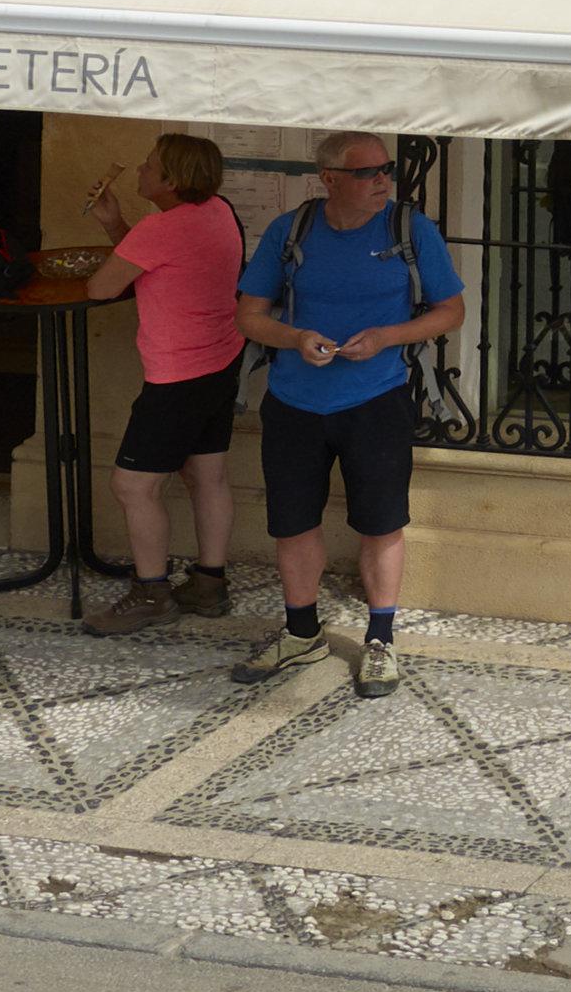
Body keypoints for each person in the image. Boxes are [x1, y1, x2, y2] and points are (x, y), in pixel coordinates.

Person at [229, 131, 460, 692]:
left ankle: (380, 641)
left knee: (382, 523)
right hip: (293, 401)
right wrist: (295, 336)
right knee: (293, 522)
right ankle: (302, 634)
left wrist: (387, 337)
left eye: (386, 169)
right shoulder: (292, 230)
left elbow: (449, 311)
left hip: (377, 398)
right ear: (329, 179)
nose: (383, 180)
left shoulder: (410, 229)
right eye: (367, 172)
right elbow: (248, 316)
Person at [85, 133, 246, 624]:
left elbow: (102, 285)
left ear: (171, 181)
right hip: (222, 359)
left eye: (150, 165)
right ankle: (209, 583)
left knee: (133, 486)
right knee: (207, 475)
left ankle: (151, 594)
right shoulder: (220, 210)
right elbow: (156, 264)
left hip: (177, 373)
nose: (139, 170)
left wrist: (119, 231)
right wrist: (117, 225)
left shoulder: (159, 229)